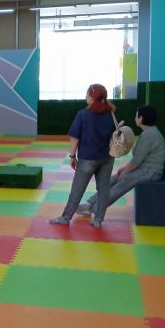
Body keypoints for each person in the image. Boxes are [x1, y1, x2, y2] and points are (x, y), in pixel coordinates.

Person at [77, 105, 165, 216]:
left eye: (136, 116)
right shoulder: (148, 132)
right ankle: (89, 203)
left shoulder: (149, 135)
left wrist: (125, 172)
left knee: (123, 181)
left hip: (151, 172)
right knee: (114, 178)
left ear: (141, 118)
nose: (135, 118)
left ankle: (94, 209)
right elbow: (138, 160)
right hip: (144, 169)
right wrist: (123, 169)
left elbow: (136, 161)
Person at [50, 83, 116, 229]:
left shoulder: (83, 115)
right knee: (104, 190)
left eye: (87, 95)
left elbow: (74, 138)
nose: (85, 97)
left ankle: (65, 218)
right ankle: (98, 220)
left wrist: (72, 156)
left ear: (91, 98)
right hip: (107, 158)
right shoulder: (110, 114)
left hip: (87, 159)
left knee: (77, 189)